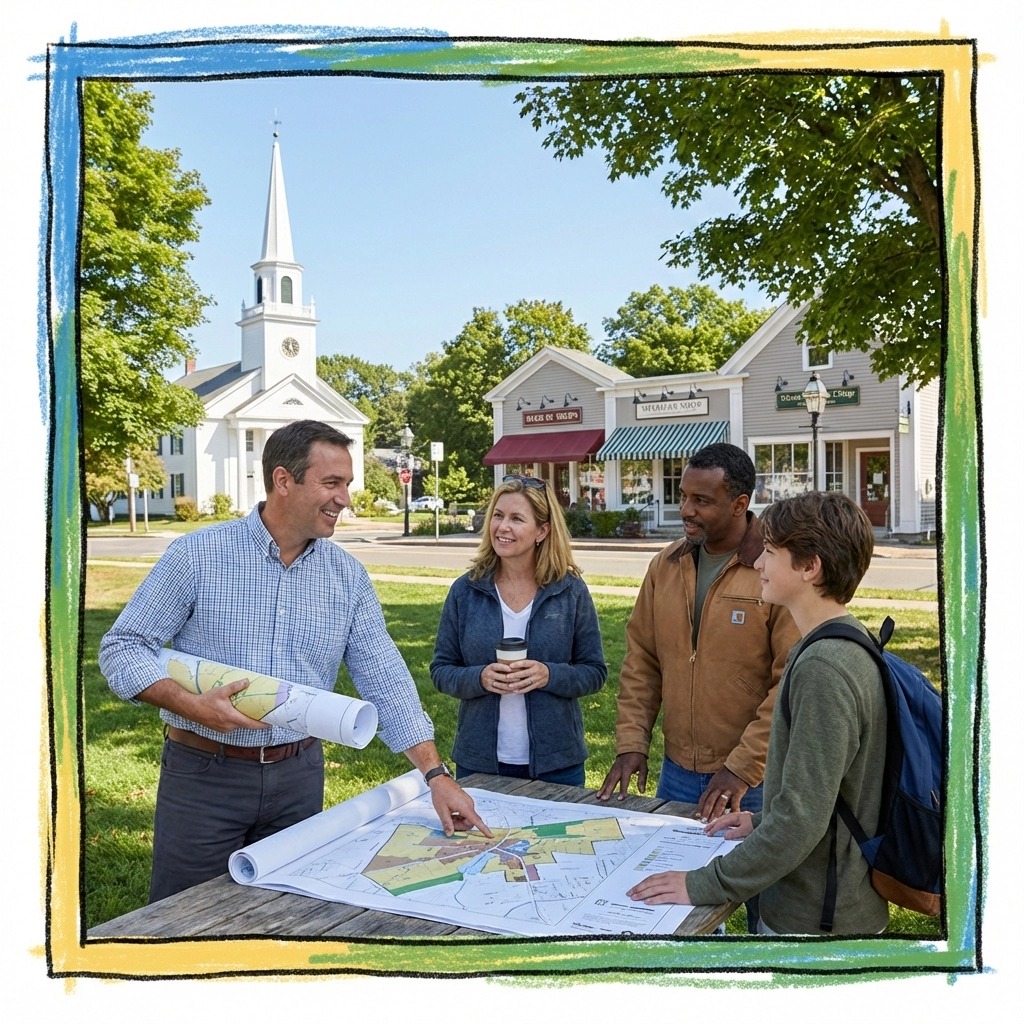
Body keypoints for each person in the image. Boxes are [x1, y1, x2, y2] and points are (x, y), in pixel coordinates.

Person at [100, 419, 491, 903]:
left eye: (346, 484)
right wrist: (189, 704)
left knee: (284, 917)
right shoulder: (198, 555)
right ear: (283, 481)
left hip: (299, 776)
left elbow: (385, 679)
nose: (344, 499)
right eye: (332, 483)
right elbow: (123, 648)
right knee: (183, 919)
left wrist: (436, 776)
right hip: (203, 776)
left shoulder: (346, 576)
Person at [626, 491, 889, 935]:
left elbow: (800, 823)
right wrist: (760, 820)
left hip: (817, 924)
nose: (759, 564)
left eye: (770, 552)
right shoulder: (842, 643)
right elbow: (825, 798)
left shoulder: (824, 669)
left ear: (810, 567)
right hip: (820, 903)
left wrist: (703, 883)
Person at [598, 443, 799, 819]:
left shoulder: (772, 569)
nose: (686, 510)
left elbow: (790, 683)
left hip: (753, 782)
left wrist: (742, 766)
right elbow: (642, 661)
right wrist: (631, 742)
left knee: (743, 879)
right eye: (684, 496)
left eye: (701, 500)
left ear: (739, 504)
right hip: (676, 774)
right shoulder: (665, 566)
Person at [431, 475, 607, 786]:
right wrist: (479, 678)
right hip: (480, 763)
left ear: (542, 530)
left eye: (516, 519)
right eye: (497, 516)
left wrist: (548, 675)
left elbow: (594, 672)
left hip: (558, 765)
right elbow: (441, 670)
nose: (502, 527)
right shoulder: (466, 590)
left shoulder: (569, 591)